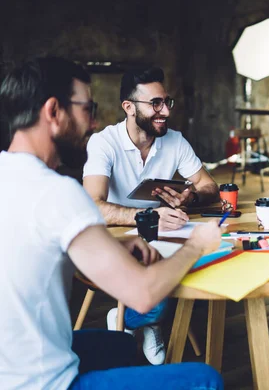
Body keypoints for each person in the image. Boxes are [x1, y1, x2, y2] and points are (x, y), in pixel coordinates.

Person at [0, 56, 224, 390]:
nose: (92, 123)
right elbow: (143, 294)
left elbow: (34, 245)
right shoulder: (59, 191)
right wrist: (197, 244)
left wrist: (117, 244)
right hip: (39, 382)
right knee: (205, 378)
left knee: (120, 345)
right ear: (53, 111)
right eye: (87, 109)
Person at [82, 66, 219, 364]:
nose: (165, 112)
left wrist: (191, 196)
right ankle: (147, 319)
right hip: (119, 240)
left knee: (204, 259)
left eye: (166, 102)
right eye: (155, 103)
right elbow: (92, 205)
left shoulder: (175, 140)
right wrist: (150, 218)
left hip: (166, 234)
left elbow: (210, 187)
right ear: (129, 107)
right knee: (165, 268)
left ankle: (134, 319)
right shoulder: (103, 143)